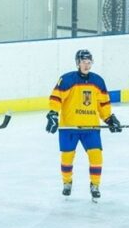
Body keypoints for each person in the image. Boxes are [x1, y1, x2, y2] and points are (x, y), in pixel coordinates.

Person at [46, 48, 121, 200]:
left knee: (96, 156)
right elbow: (56, 98)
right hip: (69, 128)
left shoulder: (98, 81)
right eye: (83, 62)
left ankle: (95, 185)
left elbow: (103, 104)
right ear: (77, 63)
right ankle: (67, 182)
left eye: (89, 62)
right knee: (67, 158)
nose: (87, 65)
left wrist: (109, 119)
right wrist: (53, 114)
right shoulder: (66, 79)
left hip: (90, 128)